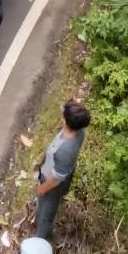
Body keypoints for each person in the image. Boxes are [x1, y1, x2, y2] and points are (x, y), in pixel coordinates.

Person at [35, 100, 91, 240]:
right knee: (43, 209)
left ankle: (40, 242)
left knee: (44, 217)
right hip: (57, 173)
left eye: (64, 115)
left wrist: (42, 189)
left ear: (67, 122)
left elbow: (56, 179)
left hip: (51, 186)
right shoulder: (79, 133)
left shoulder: (65, 151)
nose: (61, 117)